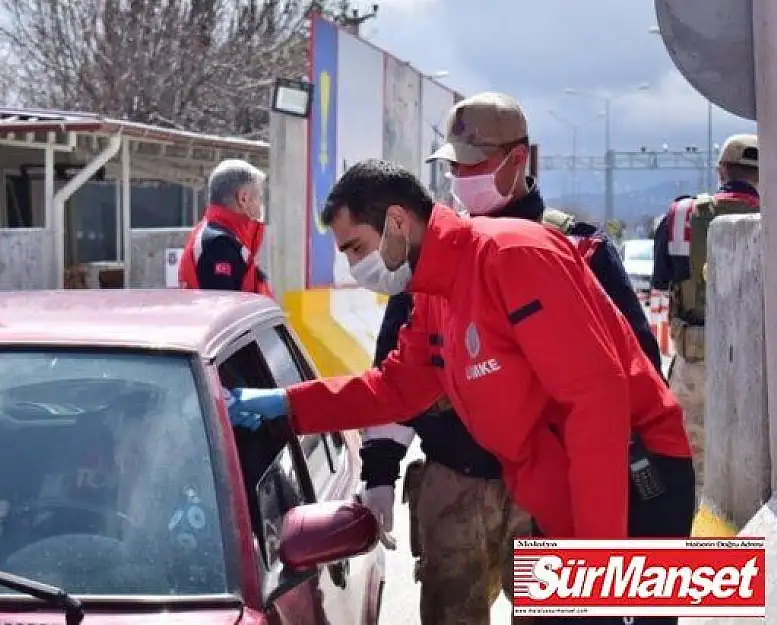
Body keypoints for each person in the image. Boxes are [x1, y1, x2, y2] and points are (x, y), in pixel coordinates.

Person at [225, 160, 696, 604]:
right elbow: (395, 388)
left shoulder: (511, 257)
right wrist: (289, 403)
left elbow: (596, 400)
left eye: (356, 248)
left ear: (397, 221)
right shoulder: (435, 293)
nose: (354, 267)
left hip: (632, 487)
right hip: (567, 498)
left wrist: (599, 562)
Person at [351, 92, 668, 625]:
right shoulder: (433, 255)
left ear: (518, 160)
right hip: (454, 487)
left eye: (473, 164)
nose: (460, 178)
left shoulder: (578, 250)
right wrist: (379, 470)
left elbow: (638, 370)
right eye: (452, 165)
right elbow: (399, 374)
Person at [652, 133, 760, 497]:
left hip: (695, 359)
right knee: (755, 474)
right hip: (761, 366)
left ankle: (699, 546)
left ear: (721, 171)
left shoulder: (681, 214)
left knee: (692, 472)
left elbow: (662, 280)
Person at [177, 159, 272, 296]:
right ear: (243, 198)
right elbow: (226, 309)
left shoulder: (220, 237)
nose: (261, 205)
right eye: (259, 197)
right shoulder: (219, 244)